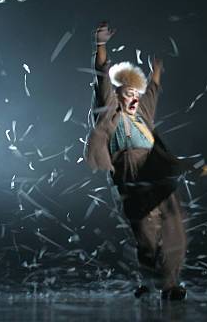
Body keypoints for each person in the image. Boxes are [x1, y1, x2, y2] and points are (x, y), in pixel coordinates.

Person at [84, 22, 187, 300]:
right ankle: (149, 280)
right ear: (118, 95)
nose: (133, 99)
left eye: (136, 95)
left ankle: (170, 283)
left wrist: (156, 72)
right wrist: (101, 45)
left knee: (174, 225)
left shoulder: (143, 115)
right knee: (146, 236)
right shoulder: (110, 111)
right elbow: (102, 76)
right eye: (128, 94)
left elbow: (152, 91)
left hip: (156, 171)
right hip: (131, 174)